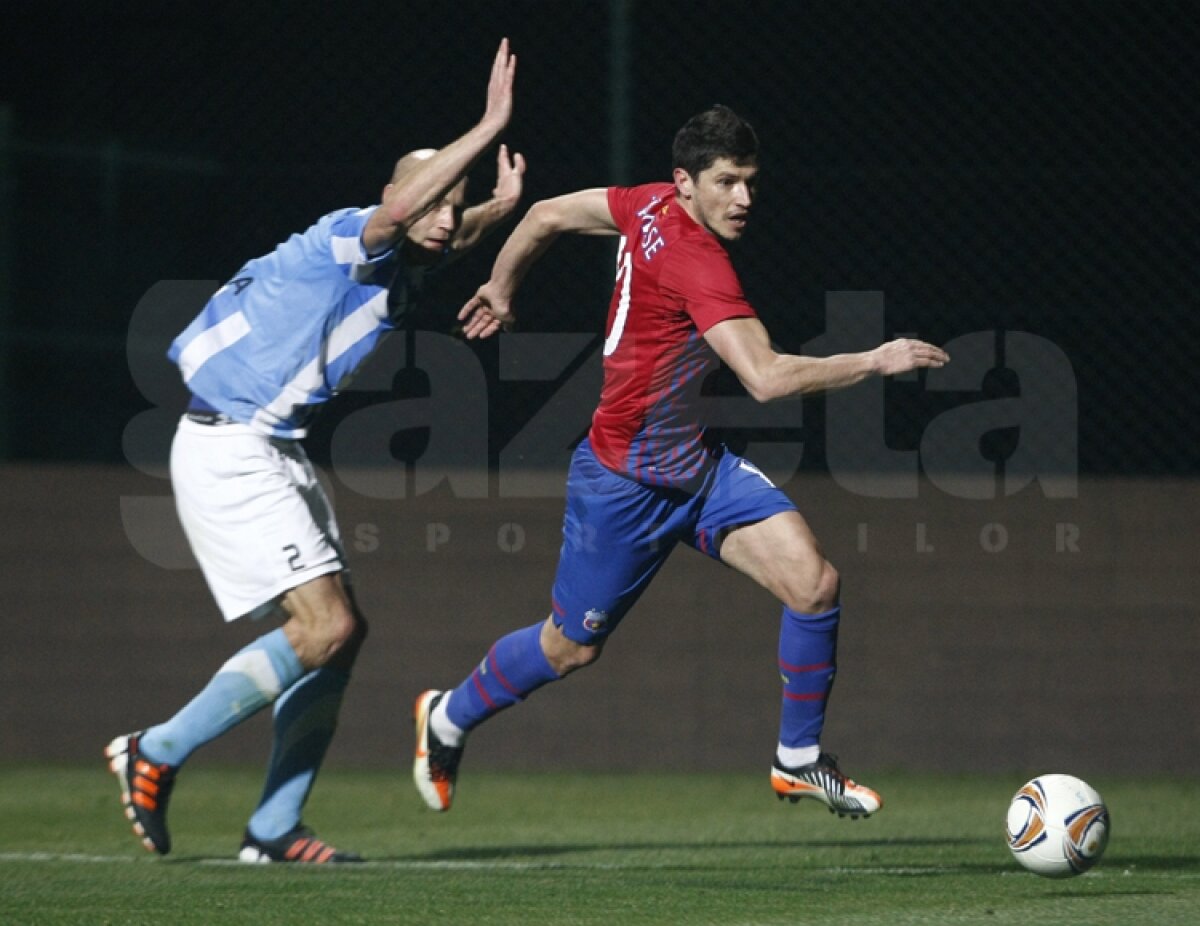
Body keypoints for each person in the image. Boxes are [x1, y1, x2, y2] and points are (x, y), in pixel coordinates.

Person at [412, 104, 949, 819]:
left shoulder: (650, 205)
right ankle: (447, 717)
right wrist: (876, 359)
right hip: (623, 485)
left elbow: (543, 215)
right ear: (687, 182)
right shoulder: (697, 263)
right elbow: (764, 379)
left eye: (751, 181)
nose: (744, 198)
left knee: (814, 584)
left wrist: (504, 287)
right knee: (568, 649)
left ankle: (796, 760)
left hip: (698, 468)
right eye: (727, 182)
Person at [106, 39, 525, 863]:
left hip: (273, 450)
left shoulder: (406, 258)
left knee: (344, 632)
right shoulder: (350, 237)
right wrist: (491, 123)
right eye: (436, 197)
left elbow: (441, 230)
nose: (447, 213)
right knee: (325, 628)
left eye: (457, 200)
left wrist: (496, 210)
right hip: (230, 444)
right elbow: (406, 217)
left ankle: (272, 827)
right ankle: (155, 750)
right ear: (396, 195)